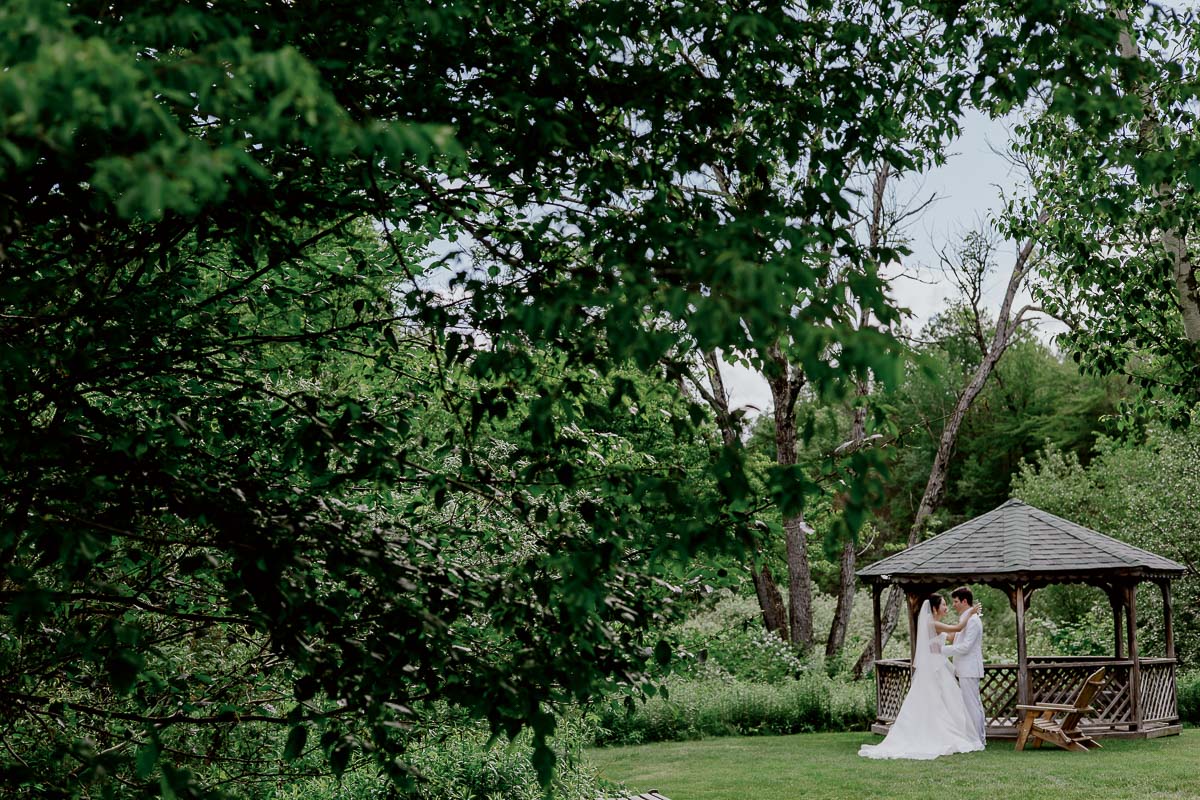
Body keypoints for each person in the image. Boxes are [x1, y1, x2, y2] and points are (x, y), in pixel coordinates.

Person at [858, 593, 984, 760]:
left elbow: (954, 636)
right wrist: (970, 613)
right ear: (934, 608)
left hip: (938, 666)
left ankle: (943, 732)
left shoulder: (935, 624)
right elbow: (958, 628)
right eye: (944, 604)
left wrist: (970, 622)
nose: (947, 607)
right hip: (935, 668)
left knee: (943, 702)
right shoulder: (933, 623)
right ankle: (936, 735)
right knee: (937, 701)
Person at [941, 586, 986, 745]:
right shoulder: (966, 619)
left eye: (955, 601)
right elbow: (956, 639)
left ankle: (977, 739)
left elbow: (966, 646)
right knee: (971, 704)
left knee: (972, 705)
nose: (953, 605)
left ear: (964, 601)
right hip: (964, 668)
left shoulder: (973, 621)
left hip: (969, 669)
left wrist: (941, 650)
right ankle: (976, 737)